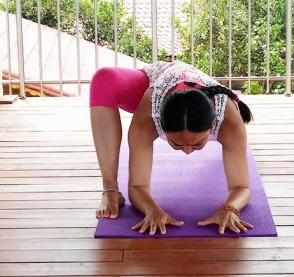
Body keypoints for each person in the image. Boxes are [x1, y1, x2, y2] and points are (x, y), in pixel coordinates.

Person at [89, 60, 253, 235]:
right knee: (103, 78)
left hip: (193, 87)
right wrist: (151, 209)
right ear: (159, 124)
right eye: (176, 144)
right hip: (161, 77)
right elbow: (137, 186)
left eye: (198, 143)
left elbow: (241, 187)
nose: (188, 151)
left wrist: (230, 208)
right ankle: (110, 189)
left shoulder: (229, 121)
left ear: (213, 127)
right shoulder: (147, 116)